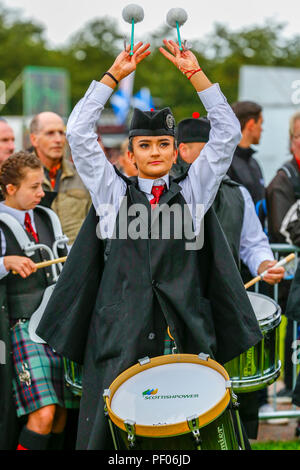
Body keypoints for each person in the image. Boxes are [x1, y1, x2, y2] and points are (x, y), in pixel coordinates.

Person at [37, 40, 262, 450]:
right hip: (119, 335)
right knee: (114, 442)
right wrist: (112, 77)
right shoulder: (110, 195)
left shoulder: (194, 192)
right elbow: (78, 133)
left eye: (163, 144)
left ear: (176, 150)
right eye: (145, 145)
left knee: (187, 439)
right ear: (130, 155)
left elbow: (227, 132)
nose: (155, 152)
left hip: (185, 331)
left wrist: (196, 75)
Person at [174, 114, 285, 438]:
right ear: (183, 151)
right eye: (208, 149)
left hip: (225, 303)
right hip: (179, 308)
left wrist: (265, 265)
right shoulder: (168, 193)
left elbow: (253, 243)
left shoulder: (237, 194)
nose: (218, 156)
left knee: (230, 395)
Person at [0, 151, 77, 450]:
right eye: (33, 187)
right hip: (21, 328)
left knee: (59, 416)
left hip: (55, 327)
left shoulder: (47, 217)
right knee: (43, 415)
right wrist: (5, 262)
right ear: (11, 189)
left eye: (41, 185)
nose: (41, 193)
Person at [266, 111, 300, 402]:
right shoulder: (284, 178)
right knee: (295, 328)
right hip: (289, 275)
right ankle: (290, 389)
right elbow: (286, 228)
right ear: (292, 141)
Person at [29, 112, 91, 244]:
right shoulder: (21, 179)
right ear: (34, 139)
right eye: (50, 133)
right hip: (40, 259)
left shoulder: (83, 175)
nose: (58, 139)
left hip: (77, 257)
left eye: (61, 133)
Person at [227, 101, 266, 226]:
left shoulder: (254, 163)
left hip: (255, 241)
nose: (262, 129)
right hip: (235, 240)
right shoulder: (227, 162)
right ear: (250, 125)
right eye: (260, 124)